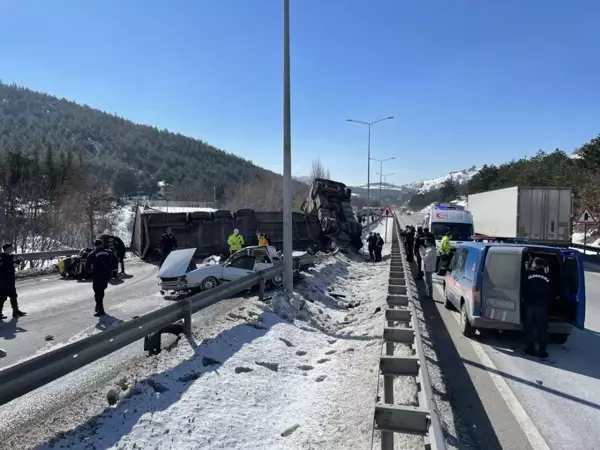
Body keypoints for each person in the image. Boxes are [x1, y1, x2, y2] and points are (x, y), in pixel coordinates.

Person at [522, 257, 555, 358]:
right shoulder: (548, 277)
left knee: (529, 326)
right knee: (541, 327)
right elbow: (553, 292)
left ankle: (530, 348)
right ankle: (542, 350)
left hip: (529, 304)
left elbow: (521, 288)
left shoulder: (526, 274)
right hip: (541, 305)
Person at [85, 239, 118, 317]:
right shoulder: (109, 252)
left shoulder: (93, 253)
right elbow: (115, 261)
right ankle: (98, 306)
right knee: (101, 290)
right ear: (102, 244)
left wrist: (90, 271)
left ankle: (101, 310)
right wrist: (113, 270)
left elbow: (87, 266)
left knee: (97, 293)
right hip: (107, 276)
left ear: (95, 245)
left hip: (97, 275)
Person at [0, 243, 26, 319]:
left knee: (13, 295)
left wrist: (18, 261)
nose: (13, 248)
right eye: (11, 247)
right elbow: (8, 266)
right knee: (2, 297)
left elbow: (12, 266)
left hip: (10, 279)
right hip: (4, 280)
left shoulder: (9, 257)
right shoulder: (2, 257)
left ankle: (15, 311)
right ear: (7, 249)